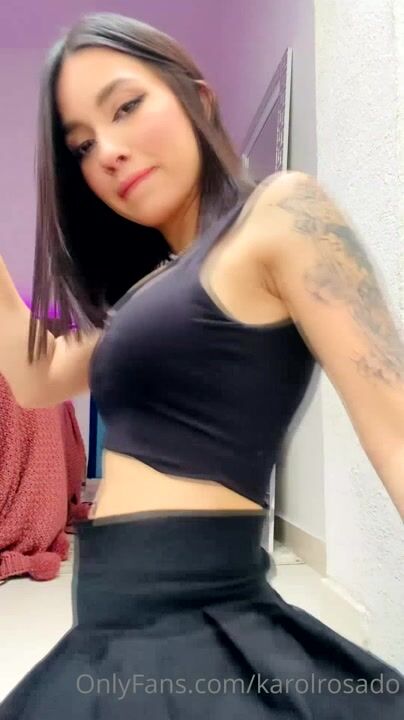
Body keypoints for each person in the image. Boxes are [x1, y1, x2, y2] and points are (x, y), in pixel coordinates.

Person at [0, 11, 403, 718]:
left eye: (126, 106)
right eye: (83, 144)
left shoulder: (278, 212)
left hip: (196, 620)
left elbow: (395, 429)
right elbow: (37, 379)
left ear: (199, 100)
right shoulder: (148, 291)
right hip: (108, 628)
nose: (108, 152)